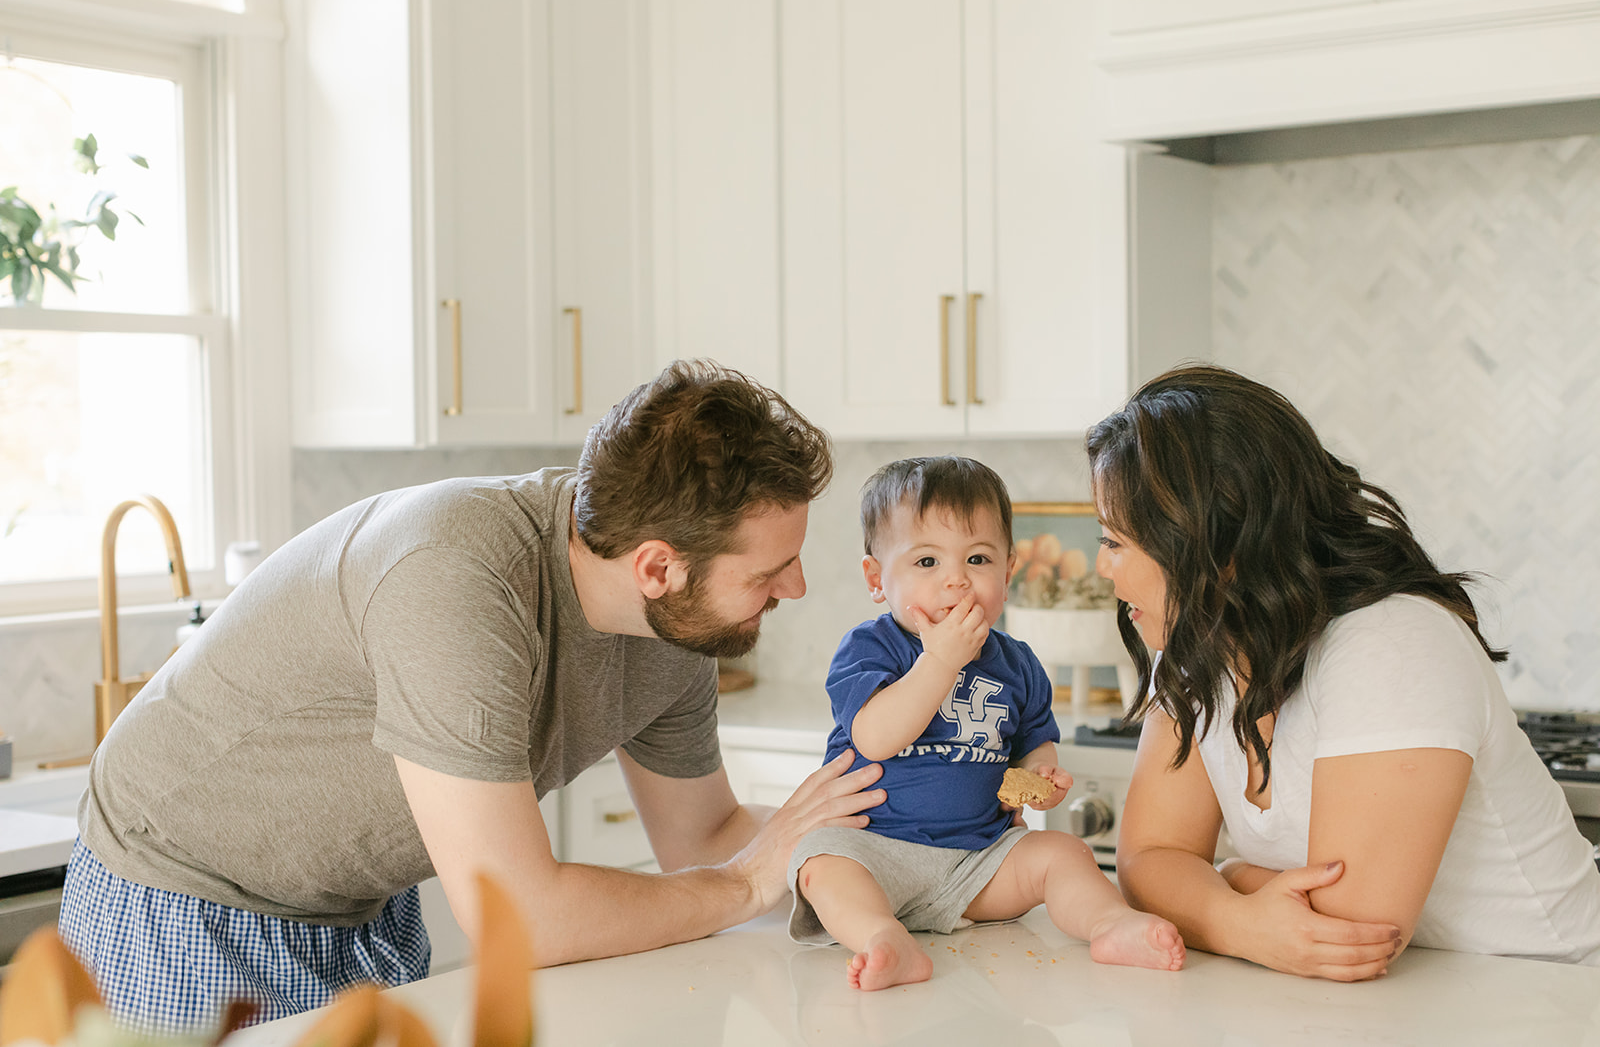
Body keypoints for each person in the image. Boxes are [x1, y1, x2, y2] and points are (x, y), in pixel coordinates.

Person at [62, 360, 887, 1032]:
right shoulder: (454, 578)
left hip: (354, 912)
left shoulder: (674, 628)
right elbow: (522, 915)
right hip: (178, 898)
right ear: (657, 566)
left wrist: (904, 869)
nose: (800, 585)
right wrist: (746, 882)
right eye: (770, 570)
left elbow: (703, 838)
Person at [1093, 364, 1600, 981]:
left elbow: (1349, 932)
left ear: (1216, 543)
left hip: (1554, 998)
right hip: (1398, 1007)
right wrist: (1239, 919)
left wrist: (1223, 877)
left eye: (1116, 542)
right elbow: (1148, 859)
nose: (1102, 569)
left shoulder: (1392, 641)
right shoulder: (1202, 649)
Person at [787, 456, 1186, 991]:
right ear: (877, 579)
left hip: (977, 861)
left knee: (1064, 853)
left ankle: (1109, 925)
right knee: (819, 863)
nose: (956, 580)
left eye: (977, 558)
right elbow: (875, 737)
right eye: (926, 562)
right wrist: (940, 661)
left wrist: (1039, 780)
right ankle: (884, 937)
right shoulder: (870, 647)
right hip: (875, 852)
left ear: (1008, 571)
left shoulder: (1017, 663)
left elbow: (1033, 744)